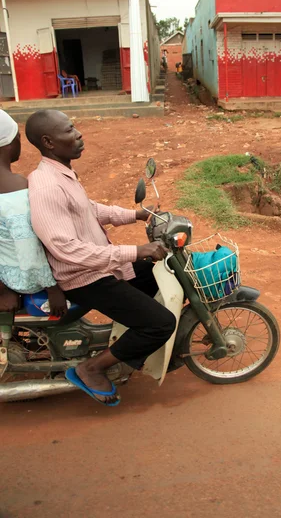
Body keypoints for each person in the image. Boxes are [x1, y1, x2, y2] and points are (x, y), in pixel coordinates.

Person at [25, 110, 176, 406]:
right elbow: (65, 248)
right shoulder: (46, 186)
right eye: (69, 130)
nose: (79, 134)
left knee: (154, 273)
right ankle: (91, 368)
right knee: (160, 324)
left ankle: (129, 344)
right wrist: (134, 250)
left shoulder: (62, 174)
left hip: (97, 266)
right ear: (49, 142)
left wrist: (135, 215)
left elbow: (88, 210)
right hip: (83, 277)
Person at [0, 110, 66, 316]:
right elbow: (28, 248)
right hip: (24, 278)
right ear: (9, 144)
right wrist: (52, 288)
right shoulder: (16, 187)